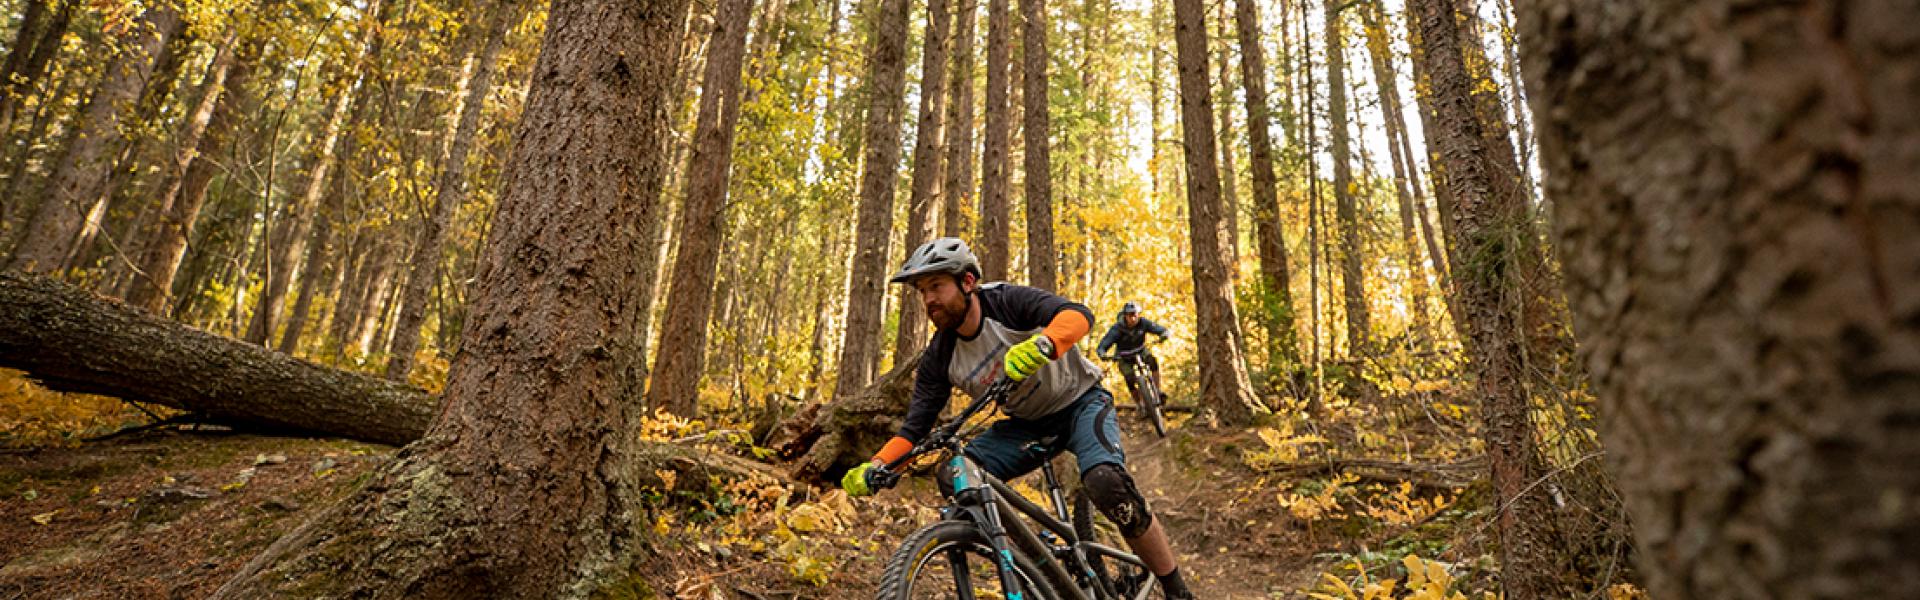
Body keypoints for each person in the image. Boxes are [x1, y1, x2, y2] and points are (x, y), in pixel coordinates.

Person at [840, 237, 1196, 599]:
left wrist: (1046, 343)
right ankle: (1038, 563)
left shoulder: (1005, 302)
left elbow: (1078, 315)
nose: (929, 299)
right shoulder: (940, 355)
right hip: (1025, 427)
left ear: (967, 282)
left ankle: (1176, 588)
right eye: (922, 291)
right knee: (954, 475)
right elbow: (915, 428)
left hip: (1081, 403)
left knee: (1105, 481)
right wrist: (879, 465)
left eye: (936, 286)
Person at [1096, 302, 1169, 409]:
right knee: (1129, 378)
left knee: (1152, 361)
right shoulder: (1117, 328)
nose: (1133, 318)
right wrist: (1103, 353)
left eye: (1135, 314)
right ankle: (1139, 404)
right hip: (1123, 356)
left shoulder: (1143, 323)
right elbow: (1104, 344)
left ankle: (1157, 390)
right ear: (1125, 315)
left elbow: (1160, 329)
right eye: (1130, 315)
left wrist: (1164, 334)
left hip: (1140, 350)